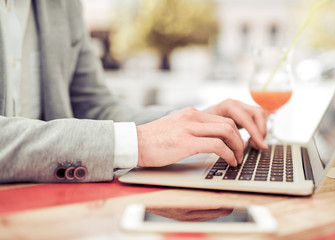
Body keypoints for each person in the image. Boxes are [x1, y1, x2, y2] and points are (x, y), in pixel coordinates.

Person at [0, 0, 267, 183]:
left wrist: (194, 122)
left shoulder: (62, 5)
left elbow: (95, 107)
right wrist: (135, 143)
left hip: (49, 209)